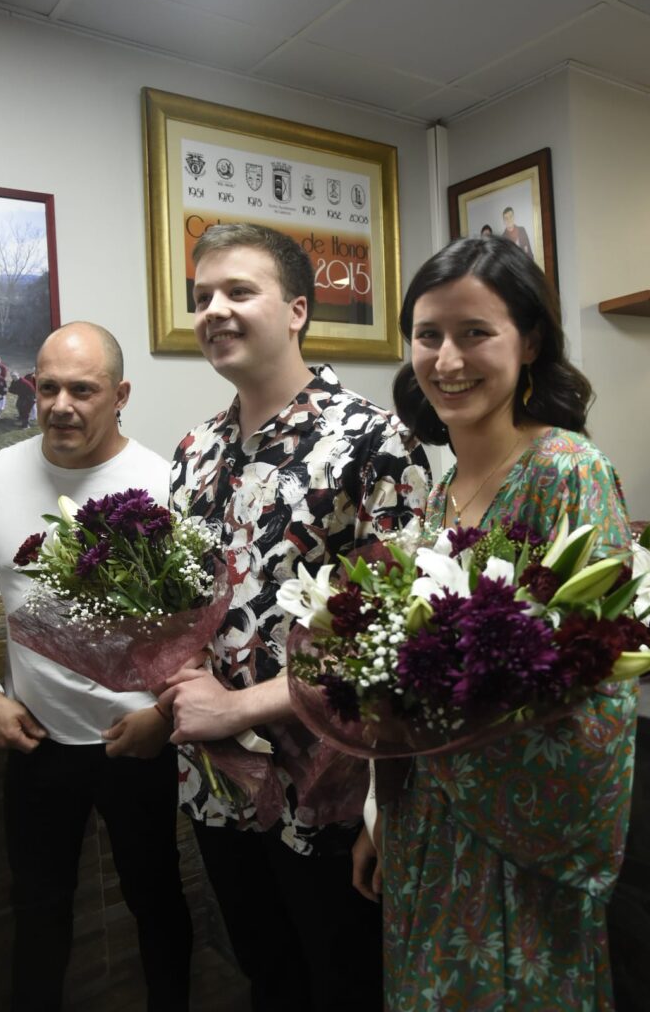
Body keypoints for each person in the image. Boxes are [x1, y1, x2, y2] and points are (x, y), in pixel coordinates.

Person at [155, 223, 431, 1012]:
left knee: (341, 986)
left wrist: (239, 705)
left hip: (325, 792)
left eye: (239, 291)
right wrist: (174, 672)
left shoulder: (374, 441)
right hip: (216, 784)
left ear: (298, 310)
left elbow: (395, 633)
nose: (214, 310)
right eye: (202, 296)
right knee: (264, 977)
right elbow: (182, 606)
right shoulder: (194, 450)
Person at [359, 236, 635, 1010]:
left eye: (475, 333)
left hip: (517, 837)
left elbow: (598, 682)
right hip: (423, 826)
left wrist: (450, 739)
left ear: (530, 341)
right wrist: (380, 809)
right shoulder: (439, 489)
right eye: (428, 335)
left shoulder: (567, 472)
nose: (447, 359)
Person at [0, 322, 192, 1012]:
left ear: (121, 395)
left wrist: (163, 715)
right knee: (38, 907)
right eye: (47, 387)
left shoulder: (166, 483)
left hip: (137, 739)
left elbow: (199, 627)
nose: (60, 406)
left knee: (156, 898)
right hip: (37, 740)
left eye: (82, 390)